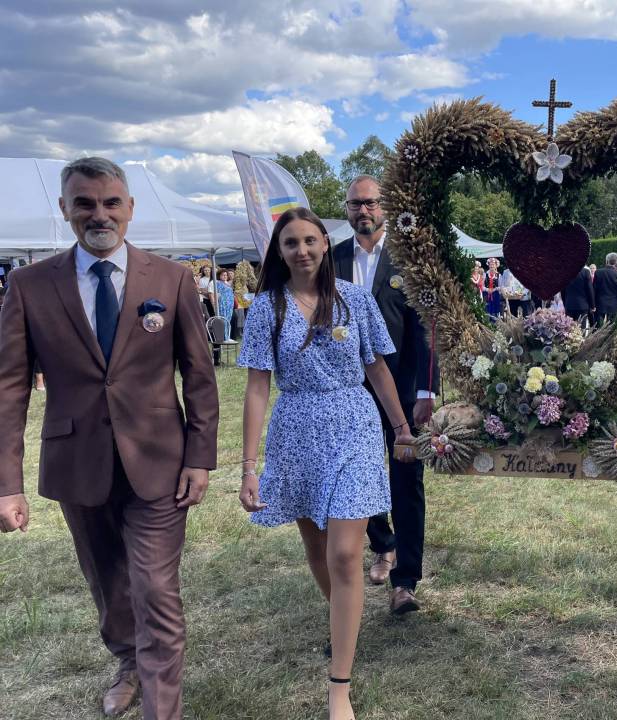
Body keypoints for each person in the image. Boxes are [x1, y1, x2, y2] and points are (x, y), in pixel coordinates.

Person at [0, 157, 218, 719]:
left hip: (160, 463)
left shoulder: (171, 279)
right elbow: (10, 390)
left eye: (111, 202)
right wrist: (7, 484)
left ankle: (161, 709)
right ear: (65, 209)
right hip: (77, 462)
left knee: (155, 588)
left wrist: (200, 457)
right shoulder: (28, 285)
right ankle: (128, 661)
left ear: (130, 208)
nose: (100, 214)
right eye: (85, 203)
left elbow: (199, 374)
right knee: (107, 583)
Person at [239, 207, 415, 720]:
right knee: (317, 550)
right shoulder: (267, 307)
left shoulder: (355, 299)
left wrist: (401, 428)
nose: (302, 251)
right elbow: (256, 388)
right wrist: (248, 466)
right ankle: (344, 621)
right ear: (279, 251)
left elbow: (376, 367)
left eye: (310, 240)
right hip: (296, 432)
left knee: (344, 552)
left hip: (355, 425)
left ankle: (340, 686)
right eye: (291, 242)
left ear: (324, 243)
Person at [333, 175, 438, 614]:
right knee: (357, 476)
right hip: (347, 392)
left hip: (402, 388)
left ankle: (406, 581)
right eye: (355, 204)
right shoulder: (332, 259)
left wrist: (427, 388)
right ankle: (383, 544)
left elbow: (428, 328)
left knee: (405, 480)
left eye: (370, 203)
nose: (363, 210)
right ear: (346, 210)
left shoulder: (409, 260)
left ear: (385, 208)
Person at [593, 252, 617, 324]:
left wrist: (593, 304)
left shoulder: (598, 272)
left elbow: (594, 289)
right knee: (612, 328)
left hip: (600, 303)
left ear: (606, 260)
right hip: (614, 304)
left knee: (597, 327)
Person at [209, 268, 235, 337]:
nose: (225, 276)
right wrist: (214, 304)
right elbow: (213, 294)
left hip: (229, 304)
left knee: (228, 320)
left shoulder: (228, 283)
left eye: (226, 275)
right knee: (223, 319)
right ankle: (223, 337)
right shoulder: (216, 282)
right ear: (219, 276)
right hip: (222, 304)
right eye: (223, 275)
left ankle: (227, 336)